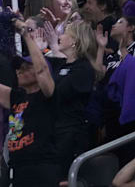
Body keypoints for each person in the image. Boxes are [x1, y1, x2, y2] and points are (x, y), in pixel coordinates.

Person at [0, 21, 59, 187]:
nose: (19, 70)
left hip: (42, 168)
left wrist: (25, 34)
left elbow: (42, 70)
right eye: (18, 67)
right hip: (16, 168)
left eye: (26, 67)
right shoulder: (16, 97)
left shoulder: (48, 95)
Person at [46, 20, 99, 179]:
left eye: (64, 33)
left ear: (75, 40)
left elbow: (57, 93)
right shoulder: (61, 65)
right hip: (54, 131)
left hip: (70, 135)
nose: (60, 36)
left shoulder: (84, 69)